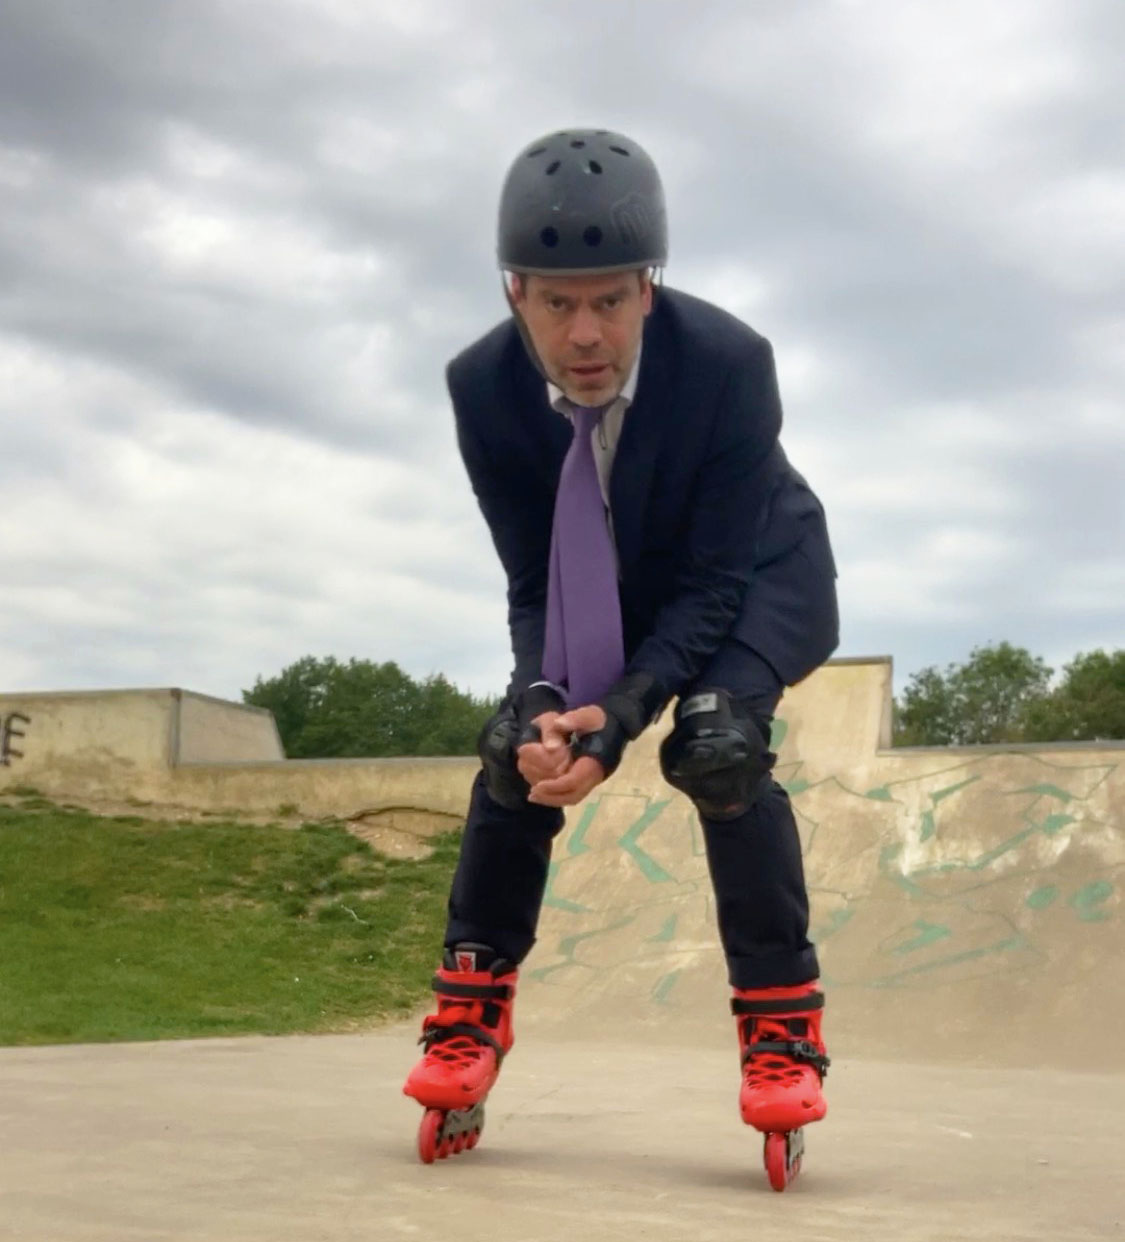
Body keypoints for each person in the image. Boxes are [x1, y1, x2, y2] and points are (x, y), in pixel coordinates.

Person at [402, 128, 839, 1163]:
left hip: (756, 579)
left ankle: (782, 1028)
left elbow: (714, 585)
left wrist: (628, 716)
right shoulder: (481, 387)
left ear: (650, 288)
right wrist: (549, 698)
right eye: (557, 303)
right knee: (516, 746)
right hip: (602, 582)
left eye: (609, 300)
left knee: (718, 750)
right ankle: (470, 1009)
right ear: (516, 294)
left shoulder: (730, 365)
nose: (585, 334)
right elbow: (531, 579)